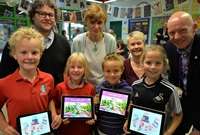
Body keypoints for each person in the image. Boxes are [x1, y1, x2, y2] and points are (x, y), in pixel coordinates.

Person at [0, 27, 62, 135]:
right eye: (23, 52)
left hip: (44, 131)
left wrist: (53, 114)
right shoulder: (4, 84)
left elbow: (49, 99)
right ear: (14, 54)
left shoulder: (48, 79)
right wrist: (4, 126)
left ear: (41, 54)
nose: (29, 57)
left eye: (34, 52)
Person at [0, 0, 71, 86]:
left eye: (51, 15)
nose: (47, 18)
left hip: (55, 97)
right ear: (33, 16)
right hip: (22, 96)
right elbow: (4, 75)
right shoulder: (16, 42)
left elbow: (67, 73)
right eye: (42, 14)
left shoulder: (64, 43)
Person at [123, 45, 183, 135]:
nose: (153, 67)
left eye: (158, 63)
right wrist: (128, 120)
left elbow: (178, 115)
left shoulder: (170, 89)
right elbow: (133, 107)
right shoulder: (135, 85)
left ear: (164, 64)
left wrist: (168, 133)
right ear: (142, 63)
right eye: (148, 63)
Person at [166, 11, 200, 135]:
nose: (177, 37)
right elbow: (173, 77)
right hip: (180, 108)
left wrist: (198, 128)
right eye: (172, 33)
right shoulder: (170, 46)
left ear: (194, 28)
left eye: (182, 31)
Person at [71, 3, 116, 88]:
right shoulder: (78, 41)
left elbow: (113, 66)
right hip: (83, 86)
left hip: (105, 86)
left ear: (104, 23)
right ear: (86, 23)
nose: (96, 26)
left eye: (99, 23)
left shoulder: (110, 40)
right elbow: (73, 67)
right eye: (92, 22)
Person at [53, 52, 96, 135]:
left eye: (79, 67)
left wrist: (92, 117)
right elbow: (55, 106)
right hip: (65, 130)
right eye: (72, 67)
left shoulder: (90, 88)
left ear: (85, 69)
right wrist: (60, 115)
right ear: (68, 69)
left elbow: (92, 109)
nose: (76, 70)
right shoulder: (60, 88)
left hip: (84, 130)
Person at [96, 53, 132, 135]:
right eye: (108, 71)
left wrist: (131, 110)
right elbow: (96, 113)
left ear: (122, 70)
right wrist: (94, 104)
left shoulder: (129, 90)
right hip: (102, 131)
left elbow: (130, 116)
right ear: (103, 70)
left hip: (121, 132)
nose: (112, 75)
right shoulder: (98, 89)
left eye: (116, 71)